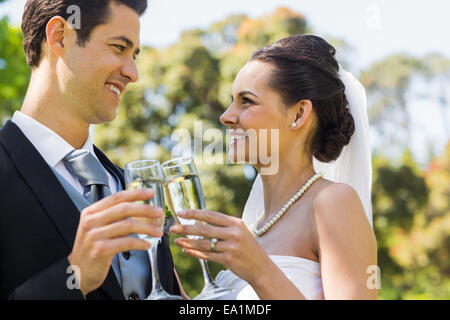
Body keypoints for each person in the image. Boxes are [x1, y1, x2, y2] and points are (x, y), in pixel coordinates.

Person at [170, 34, 378, 299]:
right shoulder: (254, 224)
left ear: (299, 113)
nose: (226, 116)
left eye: (246, 101)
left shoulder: (333, 203)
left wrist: (260, 271)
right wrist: (157, 260)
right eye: (232, 101)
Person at [0, 0, 180, 300]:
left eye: (134, 55)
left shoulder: (130, 185)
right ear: (59, 36)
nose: (133, 73)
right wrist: (75, 274)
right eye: (118, 48)